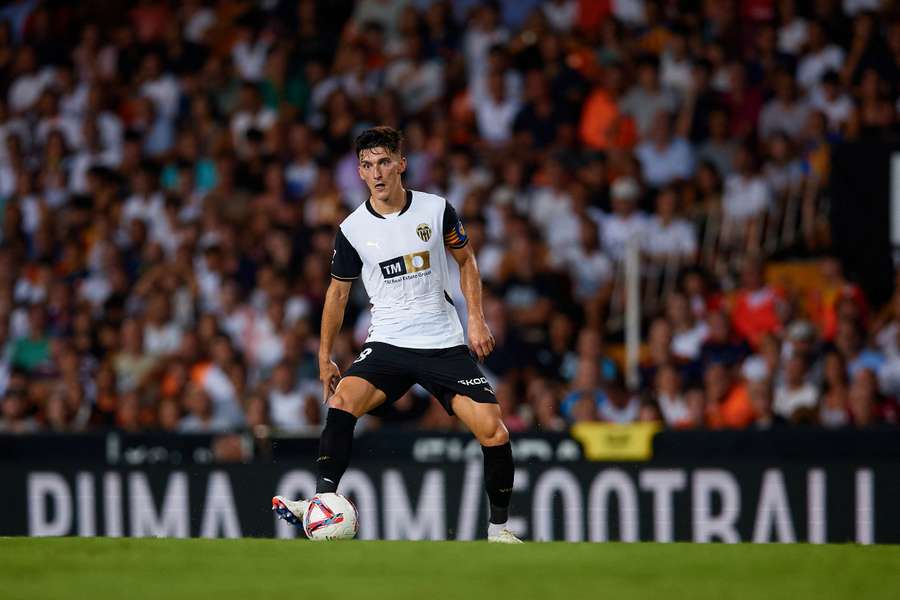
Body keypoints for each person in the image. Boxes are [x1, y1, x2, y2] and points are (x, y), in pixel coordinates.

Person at [272, 127, 521, 543]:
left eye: (384, 162)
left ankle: (497, 529)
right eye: (367, 166)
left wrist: (475, 317)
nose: (377, 173)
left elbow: (467, 260)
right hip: (387, 342)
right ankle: (320, 501)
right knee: (342, 401)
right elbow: (337, 292)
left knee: (494, 431)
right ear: (359, 172)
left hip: (441, 342)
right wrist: (324, 355)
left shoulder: (436, 210)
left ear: (401, 164)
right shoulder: (352, 228)